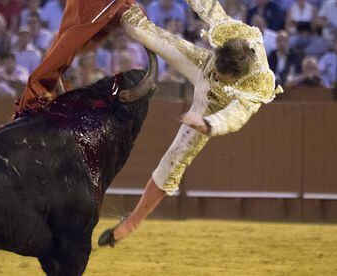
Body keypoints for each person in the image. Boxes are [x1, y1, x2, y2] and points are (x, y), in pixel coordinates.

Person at [98, 1, 283, 246]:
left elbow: (236, 116)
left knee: (173, 162)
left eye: (221, 76)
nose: (216, 77)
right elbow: (208, 6)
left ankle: (132, 221)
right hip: (200, 64)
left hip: (209, 111)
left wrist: (207, 124)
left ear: (237, 76)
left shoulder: (257, 83)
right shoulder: (233, 33)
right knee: (138, 29)